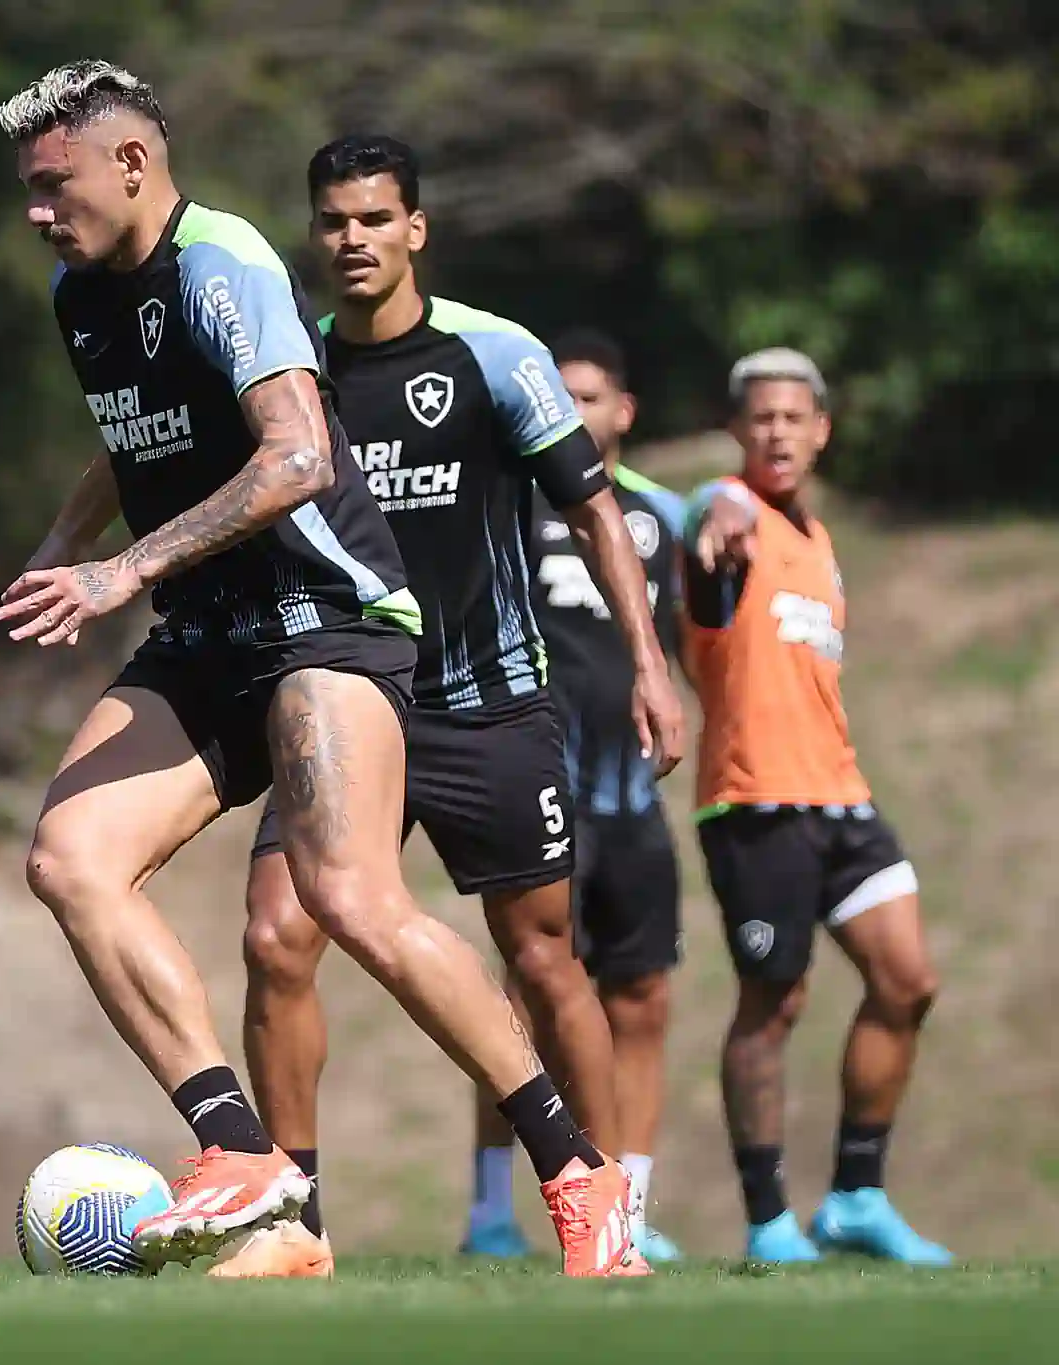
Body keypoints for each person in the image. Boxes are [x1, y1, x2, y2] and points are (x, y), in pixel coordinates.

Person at [0, 64, 645, 1279]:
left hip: (326, 614)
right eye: (28, 190)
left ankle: (576, 1171)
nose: (36, 211)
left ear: (131, 164)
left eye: (52, 184)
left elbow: (293, 457)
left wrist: (117, 572)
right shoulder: (77, 294)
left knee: (348, 901)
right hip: (207, 628)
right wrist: (63, 546)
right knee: (68, 861)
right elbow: (135, 433)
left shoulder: (221, 261)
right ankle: (246, 1165)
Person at [224, 136, 683, 1278]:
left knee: (541, 963)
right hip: (336, 694)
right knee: (276, 940)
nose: (351, 240)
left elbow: (591, 513)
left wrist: (648, 665)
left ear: (414, 229)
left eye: (374, 219)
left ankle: (601, 1201)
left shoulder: (493, 355)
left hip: (486, 709)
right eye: (332, 220)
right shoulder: (292, 369)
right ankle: (297, 1227)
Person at [685, 348, 950, 1265]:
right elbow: (704, 513)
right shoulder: (729, 514)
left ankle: (856, 1198)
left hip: (843, 796)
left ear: (822, 429)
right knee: (775, 1001)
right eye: (760, 418)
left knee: (908, 980)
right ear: (736, 430)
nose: (778, 432)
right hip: (755, 801)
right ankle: (767, 1222)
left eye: (794, 418)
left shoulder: (817, 539)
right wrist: (711, 505)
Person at [473, 329, 686, 1264]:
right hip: (540, 780)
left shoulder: (668, 517)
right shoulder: (510, 499)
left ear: (624, 412)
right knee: (526, 998)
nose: (572, 409)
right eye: (559, 394)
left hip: (633, 792)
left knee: (640, 998)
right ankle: (490, 1213)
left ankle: (626, 1209)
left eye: (590, 395)